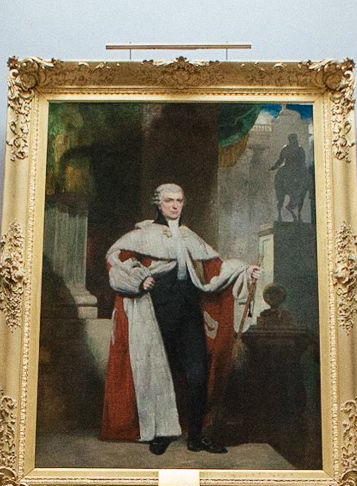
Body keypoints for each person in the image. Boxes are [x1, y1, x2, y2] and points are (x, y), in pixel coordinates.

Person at [102, 183, 261, 454]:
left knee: (197, 372)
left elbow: (215, 269)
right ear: (158, 204)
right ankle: (160, 433)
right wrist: (141, 279)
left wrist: (246, 271)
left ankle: (196, 435)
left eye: (179, 200)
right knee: (157, 372)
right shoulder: (142, 235)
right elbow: (116, 262)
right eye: (169, 201)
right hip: (154, 310)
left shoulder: (189, 237)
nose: (175, 205)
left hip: (188, 310)